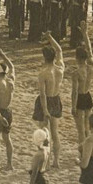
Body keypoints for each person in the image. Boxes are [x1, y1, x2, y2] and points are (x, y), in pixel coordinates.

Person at [33, 32, 65, 168]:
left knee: (43, 133)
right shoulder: (60, 69)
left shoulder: (43, 74)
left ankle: (44, 161)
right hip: (56, 99)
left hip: (47, 102)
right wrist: (50, 37)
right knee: (55, 132)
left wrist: (45, 110)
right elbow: (59, 50)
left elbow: (42, 95)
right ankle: (56, 161)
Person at [72, 21, 93, 145]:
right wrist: (85, 34)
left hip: (80, 98)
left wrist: (72, 106)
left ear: (77, 58)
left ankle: (82, 153)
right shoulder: (91, 66)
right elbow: (90, 51)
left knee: (80, 130)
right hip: (88, 96)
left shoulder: (76, 73)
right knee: (87, 128)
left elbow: (75, 92)